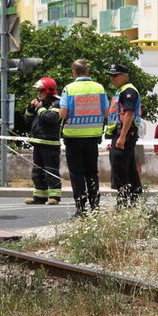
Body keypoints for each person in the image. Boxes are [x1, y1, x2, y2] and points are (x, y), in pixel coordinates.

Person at [59, 59, 108, 217]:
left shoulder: (69, 89)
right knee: (92, 173)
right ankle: (95, 206)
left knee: (77, 174)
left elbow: (63, 113)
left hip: (73, 137)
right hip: (93, 136)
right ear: (88, 72)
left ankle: (81, 208)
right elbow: (106, 111)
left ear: (74, 72)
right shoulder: (99, 88)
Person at [105, 63, 142, 208]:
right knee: (130, 169)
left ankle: (123, 203)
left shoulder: (129, 91)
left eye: (115, 75)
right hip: (121, 134)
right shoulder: (121, 90)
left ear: (125, 76)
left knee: (120, 170)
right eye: (111, 75)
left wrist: (122, 137)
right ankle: (134, 201)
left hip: (124, 134)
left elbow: (129, 114)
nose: (112, 78)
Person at [23, 77, 62, 205]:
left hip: (50, 144)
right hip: (38, 143)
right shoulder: (39, 103)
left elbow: (52, 118)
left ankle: (54, 197)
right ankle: (39, 197)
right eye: (38, 91)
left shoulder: (57, 103)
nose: (38, 93)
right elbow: (28, 120)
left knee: (51, 170)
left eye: (41, 91)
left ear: (48, 91)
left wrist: (39, 108)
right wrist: (30, 108)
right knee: (37, 171)